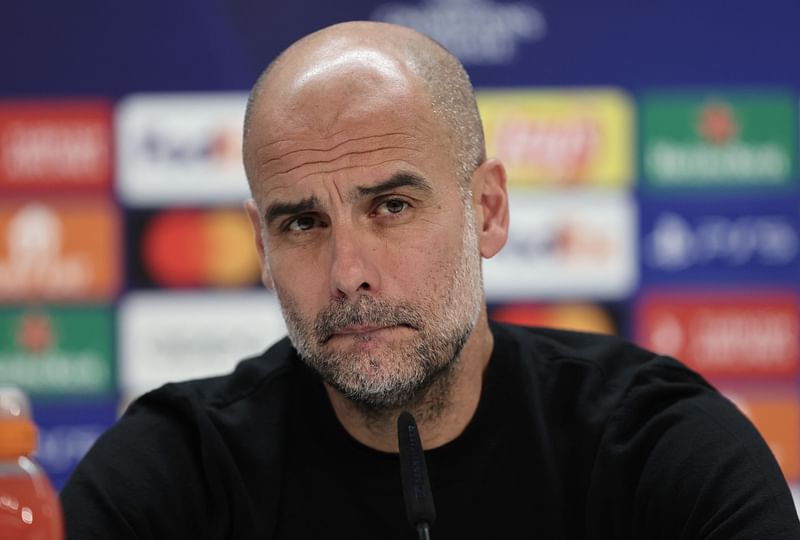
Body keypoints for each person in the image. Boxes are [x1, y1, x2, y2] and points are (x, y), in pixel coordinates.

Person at [61, 21, 800, 539]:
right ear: (259, 245)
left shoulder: (659, 450)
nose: (349, 273)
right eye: (302, 224)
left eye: (392, 206)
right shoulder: (170, 475)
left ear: (487, 210)